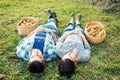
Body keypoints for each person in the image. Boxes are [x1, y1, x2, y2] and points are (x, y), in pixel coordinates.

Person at [56, 13, 91, 78]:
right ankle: (78, 20)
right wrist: (82, 35)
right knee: (78, 26)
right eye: (70, 56)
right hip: (79, 34)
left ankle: (72, 19)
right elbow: (87, 47)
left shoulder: (59, 51)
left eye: (65, 56)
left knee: (70, 26)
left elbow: (60, 39)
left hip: (68, 33)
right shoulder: (83, 57)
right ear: (74, 63)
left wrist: (71, 32)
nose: (68, 53)